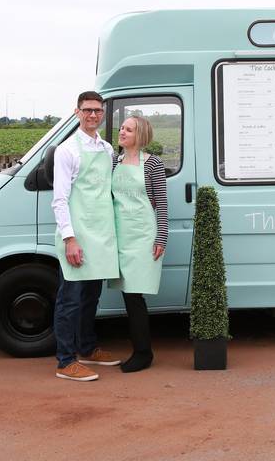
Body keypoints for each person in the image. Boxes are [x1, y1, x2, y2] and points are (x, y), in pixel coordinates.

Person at [51, 91, 122, 381]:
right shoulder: (67, 151)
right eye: (87, 110)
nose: (93, 115)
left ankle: (87, 348)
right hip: (78, 236)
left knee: (91, 297)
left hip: (101, 236)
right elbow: (60, 199)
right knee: (70, 300)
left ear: (103, 113)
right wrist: (70, 239)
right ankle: (65, 362)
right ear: (77, 112)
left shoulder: (106, 149)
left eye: (97, 110)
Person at [110, 115, 168, 372]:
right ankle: (142, 350)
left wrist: (161, 237)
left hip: (143, 236)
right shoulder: (114, 161)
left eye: (128, 130)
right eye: (122, 128)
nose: (122, 132)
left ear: (140, 135)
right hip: (119, 234)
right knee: (127, 293)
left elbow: (162, 204)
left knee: (134, 294)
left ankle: (143, 353)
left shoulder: (153, 163)